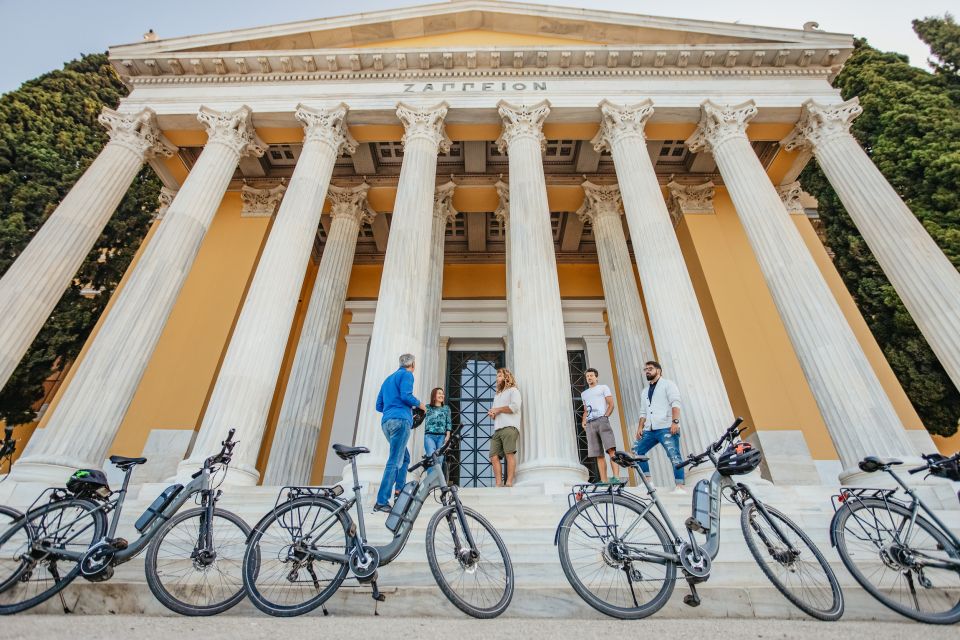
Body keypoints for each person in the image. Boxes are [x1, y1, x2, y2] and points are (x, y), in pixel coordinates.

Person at [373, 353, 426, 513]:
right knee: (395, 460)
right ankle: (382, 501)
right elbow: (406, 396)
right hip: (400, 421)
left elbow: (379, 405)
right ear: (413, 364)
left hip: (386, 422)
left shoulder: (388, 379)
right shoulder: (407, 375)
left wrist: (392, 408)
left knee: (404, 458)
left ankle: (399, 492)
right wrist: (421, 405)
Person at [634, 360, 686, 492]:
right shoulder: (645, 391)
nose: (647, 371)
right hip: (649, 429)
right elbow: (643, 411)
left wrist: (675, 422)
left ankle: (680, 485)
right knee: (637, 450)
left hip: (666, 427)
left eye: (650, 368)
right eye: (645, 369)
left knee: (674, 454)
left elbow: (675, 403)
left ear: (659, 370)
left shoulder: (668, 384)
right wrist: (640, 427)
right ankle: (648, 482)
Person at [580, 368, 621, 484]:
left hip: (602, 420)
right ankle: (603, 480)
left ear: (596, 377)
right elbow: (585, 409)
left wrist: (605, 416)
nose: (589, 378)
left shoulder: (603, 388)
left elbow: (611, 404)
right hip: (590, 423)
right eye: (587, 376)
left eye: (591, 376)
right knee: (598, 453)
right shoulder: (584, 393)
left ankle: (616, 477)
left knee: (611, 449)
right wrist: (584, 420)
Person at [487, 368, 521, 487]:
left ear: (507, 377)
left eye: (500, 376)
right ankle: (498, 484)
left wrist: (498, 409)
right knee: (493, 456)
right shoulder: (497, 395)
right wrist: (492, 413)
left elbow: (515, 407)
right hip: (497, 428)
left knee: (509, 454)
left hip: (509, 427)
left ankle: (509, 482)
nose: (497, 378)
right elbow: (496, 411)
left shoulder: (513, 391)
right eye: (497, 376)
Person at [423, 387, 452, 473]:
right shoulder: (427, 407)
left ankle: (437, 484)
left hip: (442, 437)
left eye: (442, 394)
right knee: (431, 459)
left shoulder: (446, 408)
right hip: (429, 436)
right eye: (439, 393)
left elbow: (448, 423)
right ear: (434, 396)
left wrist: (448, 435)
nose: (442, 395)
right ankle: (430, 484)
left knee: (439, 460)